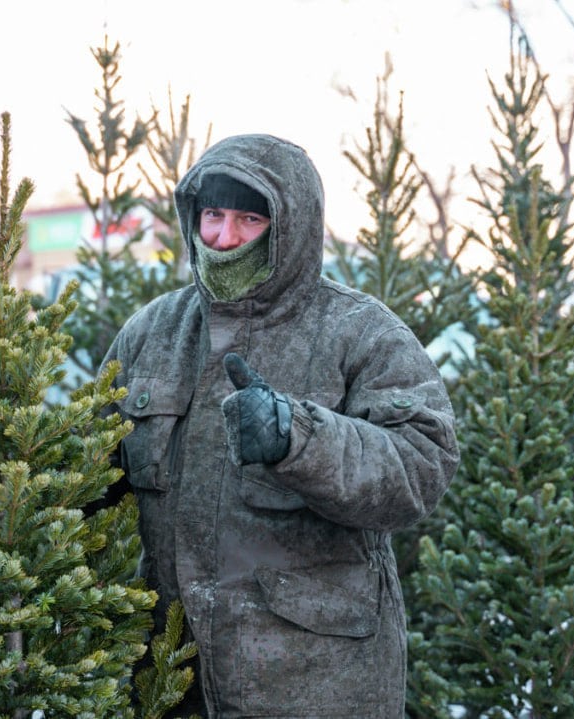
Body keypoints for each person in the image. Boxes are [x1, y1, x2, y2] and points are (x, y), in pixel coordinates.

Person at [102, 133, 459, 717]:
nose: (223, 237)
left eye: (249, 219)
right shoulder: (152, 332)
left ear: (290, 228)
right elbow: (87, 471)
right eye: (212, 215)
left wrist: (299, 438)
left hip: (316, 683)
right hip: (171, 680)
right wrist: (5, 460)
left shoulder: (359, 332)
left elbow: (421, 465)